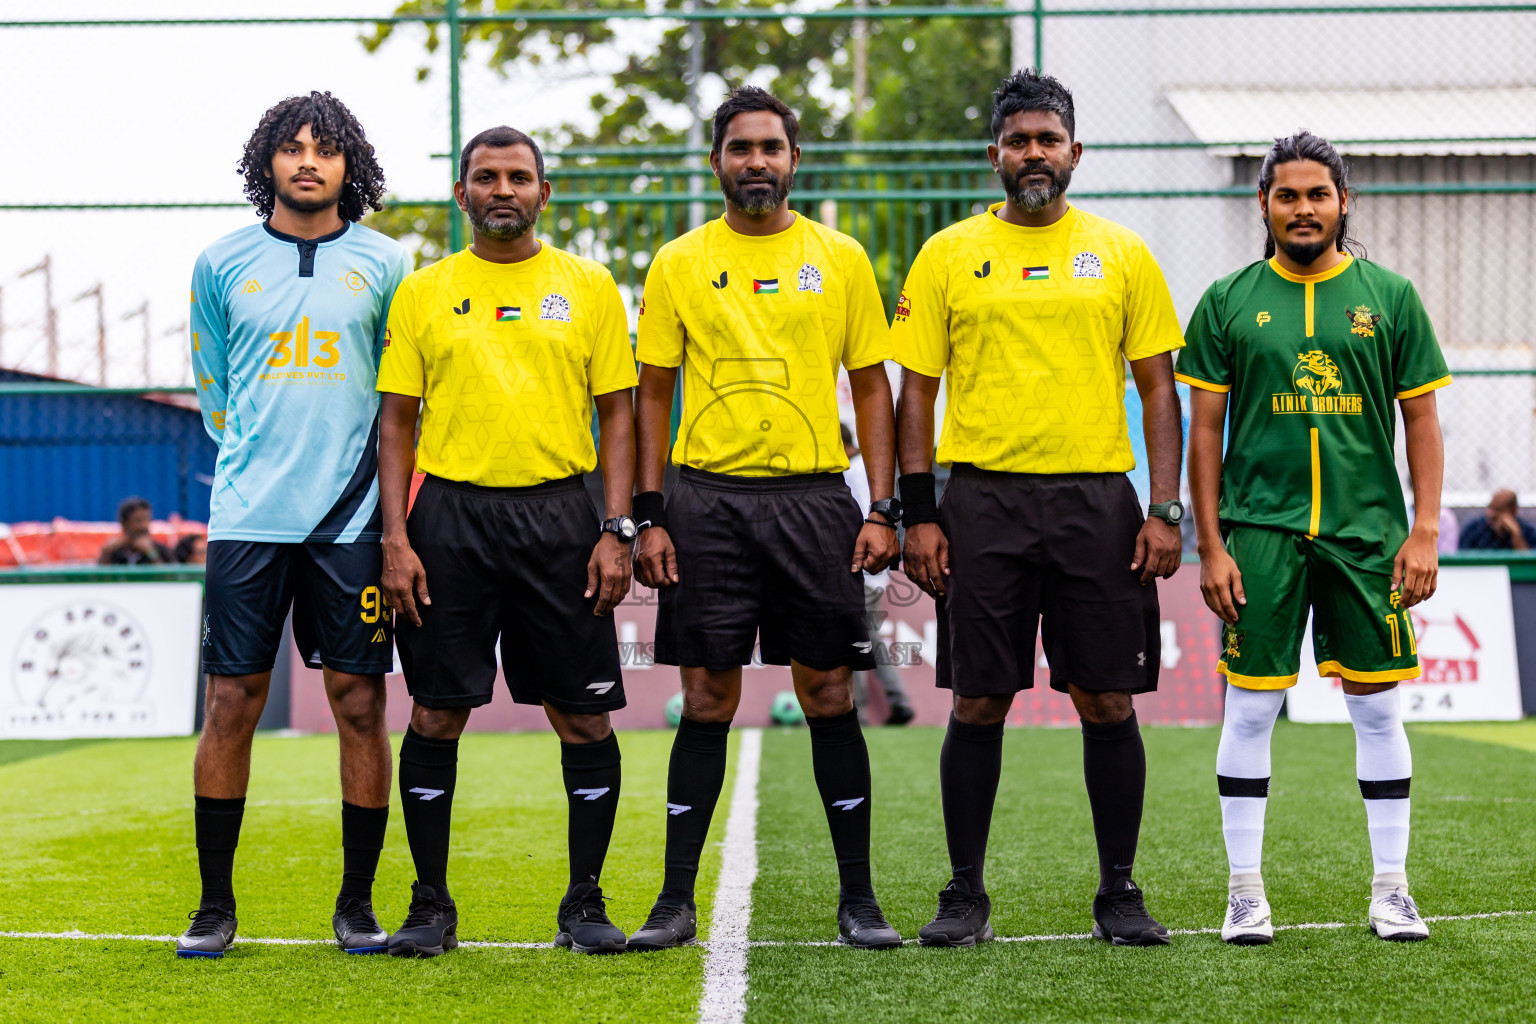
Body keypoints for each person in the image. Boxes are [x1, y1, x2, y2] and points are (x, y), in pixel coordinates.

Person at [893, 69, 1185, 948]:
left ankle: (1120, 892)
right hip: (980, 502)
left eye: (1048, 140)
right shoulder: (947, 254)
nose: (1033, 155)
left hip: (1098, 501)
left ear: (1075, 152)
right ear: (994, 156)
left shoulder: (1123, 253)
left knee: (1105, 699)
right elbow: (917, 395)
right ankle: (964, 894)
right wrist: (920, 513)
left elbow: (1160, 393)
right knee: (980, 699)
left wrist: (1165, 508)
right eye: (1018, 141)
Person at [628, 87, 904, 951]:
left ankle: (859, 899)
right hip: (704, 500)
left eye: (771, 148)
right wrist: (648, 514)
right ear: (716, 161)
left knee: (828, 690)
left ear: (793, 160)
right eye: (740, 148)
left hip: (814, 500)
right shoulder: (678, 261)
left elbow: (871, 386)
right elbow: (652, 393)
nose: (756, 162)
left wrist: (884, 506)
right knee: (706, 697)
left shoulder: (841, 258)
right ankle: (675, 901)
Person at [1178, 131, 1450, 944]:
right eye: (1287, 195)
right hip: (1258, 532)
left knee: (1375, 707)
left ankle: (1393, 889)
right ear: (1262, 203)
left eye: (1318, 195)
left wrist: (1425, 528)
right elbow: (1202, 434)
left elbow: (1423, 419)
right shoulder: (1228, 299)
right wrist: (1212, 544)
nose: (1303, 209)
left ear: (1343, 203)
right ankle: (1244, 892)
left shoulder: (1389, 296)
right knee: (1253, 707)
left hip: (1368, 536)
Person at [376, 126, 638, 958]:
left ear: (543, 193)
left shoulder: (588, 286)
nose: (502, 189)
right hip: (449, 520)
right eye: (485, 177)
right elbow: (396, 422)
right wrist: (396, 535)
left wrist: (615, 526)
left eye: (518, 177)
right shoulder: (423, 291)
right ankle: (429, 905)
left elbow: (620, 413)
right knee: (435, 711)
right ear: (462, 195)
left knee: (584, 716)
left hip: (563, 517)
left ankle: (586, 903)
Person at [179, 92, 410, 958]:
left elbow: (399, 402)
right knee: (229, 702)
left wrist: (384, 515)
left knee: (359, 703)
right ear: (265, 162)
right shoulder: (220, 263)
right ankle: (214, 907)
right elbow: (214, 395)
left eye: (325, 149)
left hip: (349, 523)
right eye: (290, 148)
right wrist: (262, 464)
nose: (307, 161)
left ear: (351, 166)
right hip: (247, 519)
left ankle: (356, 905)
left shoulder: (387, 265)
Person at [841, 422, 914, 725]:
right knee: (868, 639)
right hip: (870, 572)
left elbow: (859, 518)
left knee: (854, 640)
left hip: (861, 570)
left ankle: (858, 708)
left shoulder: (854, 471)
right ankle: (897, 701)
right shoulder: (864, 469)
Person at [98, 497, 174, 565]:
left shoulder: (161, 550)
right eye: (138, 521)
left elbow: (168, 578)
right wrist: (106, 553)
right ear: (124, 524)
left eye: (147, 520)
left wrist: (151, 553)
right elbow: (98, 578)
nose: (144, 525)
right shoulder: (114, 552)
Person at [1458, 489, 1535, 551]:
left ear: (1513, 511)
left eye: (1498, 510)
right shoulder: (1474, 529)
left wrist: (1515, 534)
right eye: (1490, 508)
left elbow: (1527, 563)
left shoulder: (1527, 531)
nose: (1491, 514)